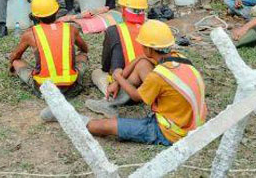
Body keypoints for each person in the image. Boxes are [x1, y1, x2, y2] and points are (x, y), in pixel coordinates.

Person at [42, 20, 207, 146]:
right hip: (188, 119)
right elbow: (143, 59)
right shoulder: (179, 58)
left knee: (106, 126)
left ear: (149, 48)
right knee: (142, 64)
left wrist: (118, 76)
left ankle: (65, 116)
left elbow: (136, 96)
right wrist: (117, 81)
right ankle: (112, 102)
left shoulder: (158, 76)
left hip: (173, 131)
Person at [9, 0, 88, 97]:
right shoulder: (71, 29)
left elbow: (15, 56)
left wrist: (11, 64)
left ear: (35, 16)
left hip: (43, 89)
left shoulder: (30, 34)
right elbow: (85, 48)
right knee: (83, 55)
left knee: (16, 62)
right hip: (71, 86)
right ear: (57, 11)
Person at [85, 0, 148, 116]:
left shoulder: (114, 30)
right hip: (149, 88)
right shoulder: (152, 29)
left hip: (123, 86)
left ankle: (111, 97)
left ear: (123, 10)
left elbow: (106, 65)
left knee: (97, 73)